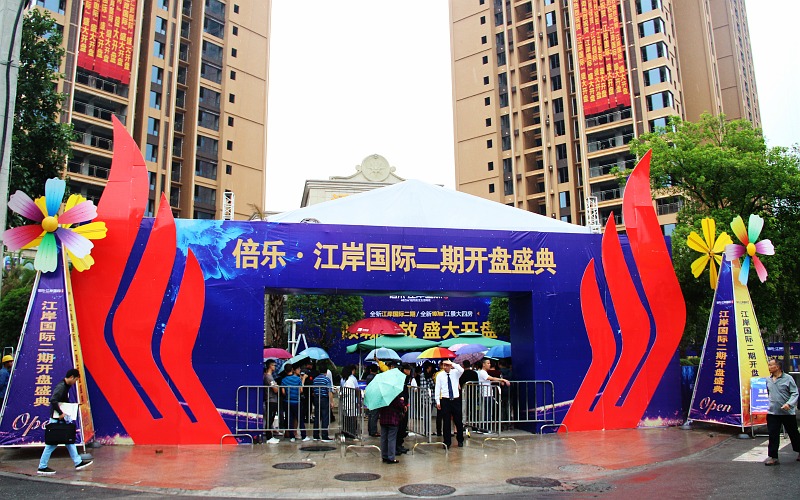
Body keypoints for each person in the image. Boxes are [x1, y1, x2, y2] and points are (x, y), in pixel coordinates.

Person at [37, 368, 93, 474]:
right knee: (51, 444)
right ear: (71, 377)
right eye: (75, 380)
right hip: (56, 420)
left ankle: (78, 462)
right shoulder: (61, 387)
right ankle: (42, 466)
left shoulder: (65, 386)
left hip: (60, 419)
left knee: (69, 440)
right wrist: (60, 413)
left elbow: (62, 401)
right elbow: (53, 400)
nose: (75, 382)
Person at [764, 358, 800, 465]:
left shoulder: (788, 378)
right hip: (773, 412)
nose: (769, 367)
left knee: (793, 433)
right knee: (773, 434)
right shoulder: (768, 379)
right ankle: (773, 457)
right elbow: (769, 393)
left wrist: (789, 404)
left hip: (787, 413)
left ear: (778, 367)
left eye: (771, 365)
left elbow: (795, 393)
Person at [434, 359, 465, 448]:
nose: (445, 367)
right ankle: (447, 442)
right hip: (445, 399)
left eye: (447, 365)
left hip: (455, 399)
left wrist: (452, 364)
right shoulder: (440, 375)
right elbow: (437, 388)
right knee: (446, 421)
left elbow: (461, 370)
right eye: (444, 365)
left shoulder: (455, 373)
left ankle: (460, 439)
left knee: (458, 420)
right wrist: (437, 401)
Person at [476, 357, 510, 433]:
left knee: (488, 411)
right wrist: (502, 379)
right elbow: (491, 378)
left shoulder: (484, 372)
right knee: (487, 412)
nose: (489, 365)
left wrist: (499, 381)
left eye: (490, 363)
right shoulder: (482, 372)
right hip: (485, 395)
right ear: (483, 364)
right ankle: (485, 428)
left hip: (488, 394)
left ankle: (485, 428)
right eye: (488, 363)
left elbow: (489, 380)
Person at [282, 364, 310, 442]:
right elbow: (301, 390)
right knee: (300, 418)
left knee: (289, 419)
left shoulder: (284, 380)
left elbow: (283, 392)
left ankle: (292, 437)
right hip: (297, 401)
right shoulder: (297, 379)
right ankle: (303, 436)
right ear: (292, 370)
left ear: (285, 371)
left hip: (287, 401)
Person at [379, 392, 405, 464]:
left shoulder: (382, 395)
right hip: (393, 419)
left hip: (383, 419)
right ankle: (391, 458)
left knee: (383, 438)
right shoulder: (393, 395)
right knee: (391, 439)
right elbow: (400, 405)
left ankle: (384, 456)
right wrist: (402, 400)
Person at [311, 367, 334, 442]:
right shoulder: (327, 379)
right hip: (324, 399)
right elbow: (329, 391)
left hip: (316, 399)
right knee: (325, 417)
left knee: (317, 417)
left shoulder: (315, 379)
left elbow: (313, 390)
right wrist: (331, 402)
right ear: (326, 372)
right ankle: (324, 436)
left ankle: (316, 435)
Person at [263, 359, 281, 444]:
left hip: (271, 399)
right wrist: (276, 386)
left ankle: (270, 436)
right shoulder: (269, 377)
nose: (275, 367)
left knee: (271, 418)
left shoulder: (268, 376)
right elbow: (275, 389)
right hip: (271, 399)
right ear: (270, 366)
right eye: (274, 365)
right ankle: (269, 437)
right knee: (270, 418)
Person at [340, 365, 360, 438]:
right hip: (349, 402)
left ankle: (350, 432)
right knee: (349, 417)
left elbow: (345, 391)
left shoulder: (348, 381)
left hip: (349, 402)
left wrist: (340, 393)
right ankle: (349, 432)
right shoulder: (350, 380)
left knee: (349, 417)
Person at [365, 364, 381, 437]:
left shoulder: (368, 377)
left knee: (370, 414)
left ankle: (370, 430)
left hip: (369, 397)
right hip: (375, 397)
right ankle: (373, 431)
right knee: (374, 415)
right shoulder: (376, 378)